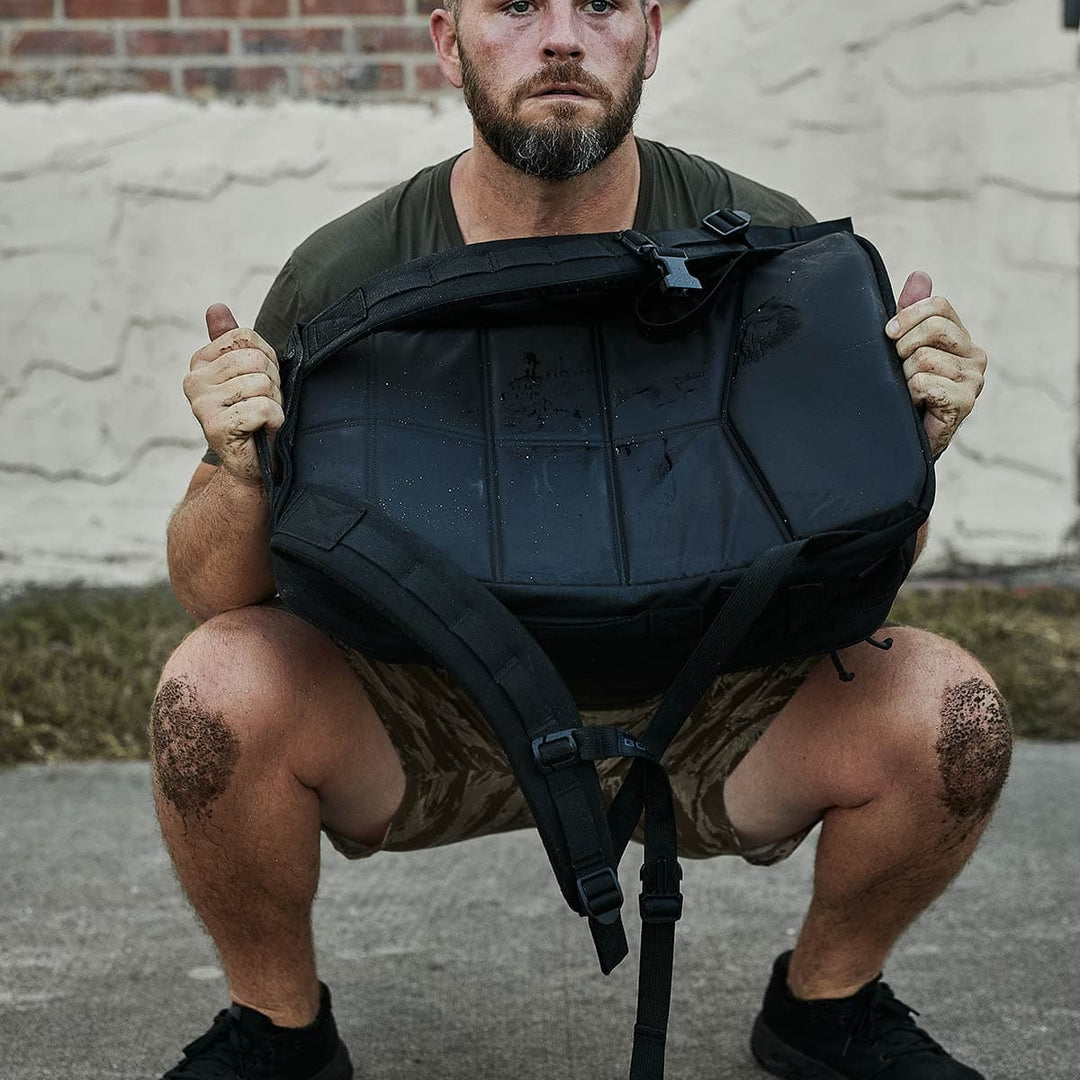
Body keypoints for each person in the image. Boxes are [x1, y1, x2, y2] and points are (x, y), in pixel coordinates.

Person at [155, 1, 1007, 1077]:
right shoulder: (350, 270)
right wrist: (238, 467)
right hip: (434, 702)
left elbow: (862, 579)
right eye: (514, 5)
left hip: (704, 694)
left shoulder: (765, 244)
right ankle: (277, 1032)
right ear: (444, 39)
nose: (560, 36)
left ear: (650, 35)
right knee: (210, 691)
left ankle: (826, 1008)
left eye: (599, 3)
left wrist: (907, 449)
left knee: (955, 714)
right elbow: (210, 588)